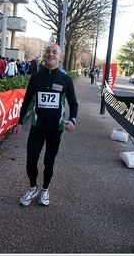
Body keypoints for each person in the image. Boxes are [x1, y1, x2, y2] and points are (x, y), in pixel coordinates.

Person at [13, 43, 79, 206]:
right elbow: (27, 100)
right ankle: (32, 187)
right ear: (44, 55)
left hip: (56, 129)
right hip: (38, 126)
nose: (51, 54)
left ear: (60, 57)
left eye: (54, 52)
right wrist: (20, 122)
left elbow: (73, 103)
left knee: (49, 162)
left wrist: (72, 120)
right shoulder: (36, 77)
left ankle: (45, 190)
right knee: (31, 160)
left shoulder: (65, 80)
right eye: (48, 52)